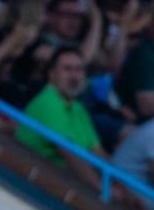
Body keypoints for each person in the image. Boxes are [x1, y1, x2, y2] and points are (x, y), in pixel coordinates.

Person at [16, 46, 108, 190]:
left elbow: (98, 153)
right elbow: (69, 153)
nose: (74, 76)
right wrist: (102, 190)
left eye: (79, 70)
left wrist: (124, 189)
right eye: (67, 69)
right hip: (31, 182)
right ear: (51, 74)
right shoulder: (48, 102)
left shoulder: (78, 108)